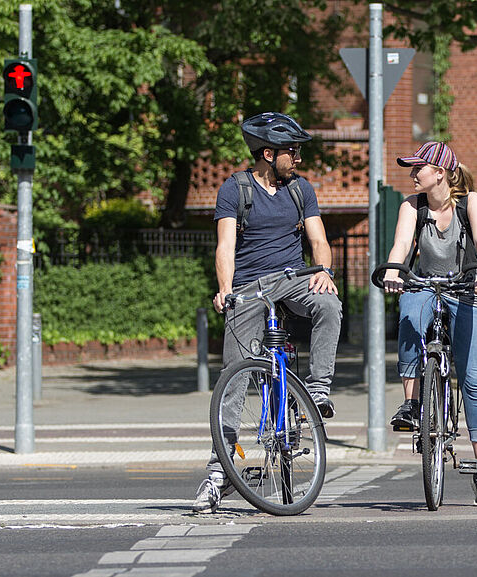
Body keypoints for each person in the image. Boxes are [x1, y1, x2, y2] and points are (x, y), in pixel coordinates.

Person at [193, 112, 342, 513]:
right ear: (268, 153)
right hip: (250, 287)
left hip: (294, 278)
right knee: (233, 378)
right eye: (292, 151)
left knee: (329, 304)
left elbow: (318, 239)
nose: (298, 157)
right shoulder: (235, 189)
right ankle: (219, 471)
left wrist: (324, 271)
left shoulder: (301, 189)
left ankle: (318, 390)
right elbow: (225, 246)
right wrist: (226, 290)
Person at [381, 141, 477, 506]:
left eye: (418, 168)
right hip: (425, 285)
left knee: (473, 380)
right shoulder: (411, 206)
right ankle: (412, 404)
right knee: (408, 307)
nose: (413, 174)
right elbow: (401, 245)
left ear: (439, 173)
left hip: (467, 289)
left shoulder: (470, 202)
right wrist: (393, 271)